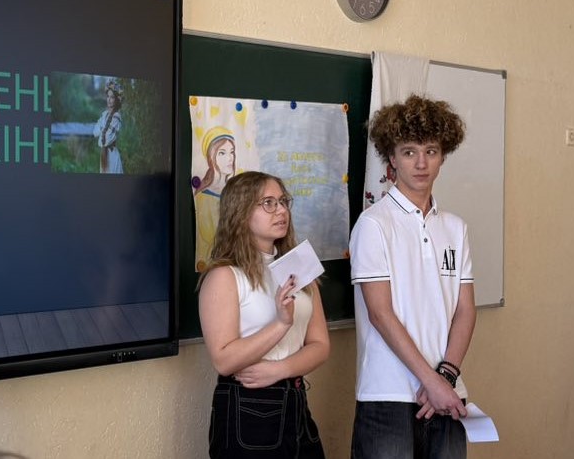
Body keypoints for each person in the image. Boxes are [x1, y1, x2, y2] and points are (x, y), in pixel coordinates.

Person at [350, 94, 474, 459]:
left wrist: (445, 377)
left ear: (443, 156)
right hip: (387, 396)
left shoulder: (456, 228)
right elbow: (380, 313)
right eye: (409, 152)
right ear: (392, 158)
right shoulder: (374, 224)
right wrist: (430, 380)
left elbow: (465, 310)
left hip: (447, 394)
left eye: (431, 151)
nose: (421, 163)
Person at [199, 171, 329, 459]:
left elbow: (320, 345)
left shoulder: (299, 268)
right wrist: (281, 324)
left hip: (296, 401)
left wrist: (282, 369)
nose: (281, 210)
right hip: (249, 409)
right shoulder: (224, 276)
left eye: (283, 201)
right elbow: (224, 360)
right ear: (241, 212)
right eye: (268, 203)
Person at [193, 126, 236, 271]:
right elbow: (210, 241)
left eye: (232, 152)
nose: (230, 158)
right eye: (222, 153)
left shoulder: (236, 193)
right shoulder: (203, 198)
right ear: (212, 158)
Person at [94, 83, 125, 174]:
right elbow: (95, 132)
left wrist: (102, 129)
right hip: (103, 155)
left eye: (112, 97)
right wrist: (104, 129)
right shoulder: (104, 115)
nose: (109, 100)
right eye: (108, 96)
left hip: (112, 155)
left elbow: (106, 140)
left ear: (116, 100)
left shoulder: (116, 117)